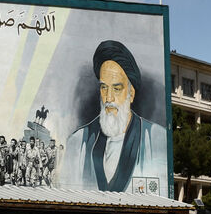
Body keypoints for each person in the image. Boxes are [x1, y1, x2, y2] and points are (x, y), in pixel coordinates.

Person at [59, 40, 168, 194]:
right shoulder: (77, 143)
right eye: (104, 88)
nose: (108, 98)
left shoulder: (157, 139)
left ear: (131, 94)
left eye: (117, 88)